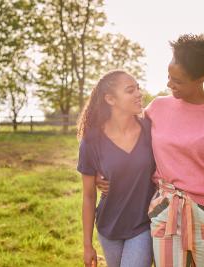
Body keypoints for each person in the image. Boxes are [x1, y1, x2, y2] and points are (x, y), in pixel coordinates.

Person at [97, 34, 204, 267]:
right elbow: (122, 134)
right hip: (166, 212)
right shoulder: (158, 107)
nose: (169, 84)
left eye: (178, 81)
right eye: (168, 76)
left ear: (201, 79)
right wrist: (99, 170)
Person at [77, 70, 156, 267]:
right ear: (110, 99)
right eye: (130, 90)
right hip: (108, 227)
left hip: (143, 224)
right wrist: (87, 245)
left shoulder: (151, 129)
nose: (139, 94)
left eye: (138, 88)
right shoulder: (91, 140)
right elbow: (88, 196)